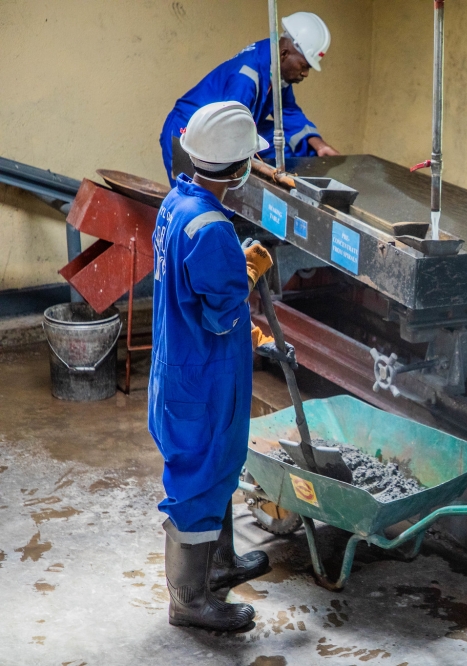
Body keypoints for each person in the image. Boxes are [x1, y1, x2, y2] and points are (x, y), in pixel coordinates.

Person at [149, 101, 295, 631]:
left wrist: (234, 263)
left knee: (220, 471)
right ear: (240, 169)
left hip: (184, 366)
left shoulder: (178, 203)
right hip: (203, 379)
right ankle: (189, 603)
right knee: (197, 484)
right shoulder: (211, 228)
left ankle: (222, 565)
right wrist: (246, 273)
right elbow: (217, 314)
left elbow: (189, 287)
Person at [159, 12, 338, 185]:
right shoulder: (246, 78)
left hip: (221, 130)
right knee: (194, 197)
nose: (305, 74)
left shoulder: (274, 68)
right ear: (284, 54)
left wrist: (319, 145)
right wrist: (262, 170)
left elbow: (286, 111)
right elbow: (231, 128)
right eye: (304, 66)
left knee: (291, 139)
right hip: (188, 130)